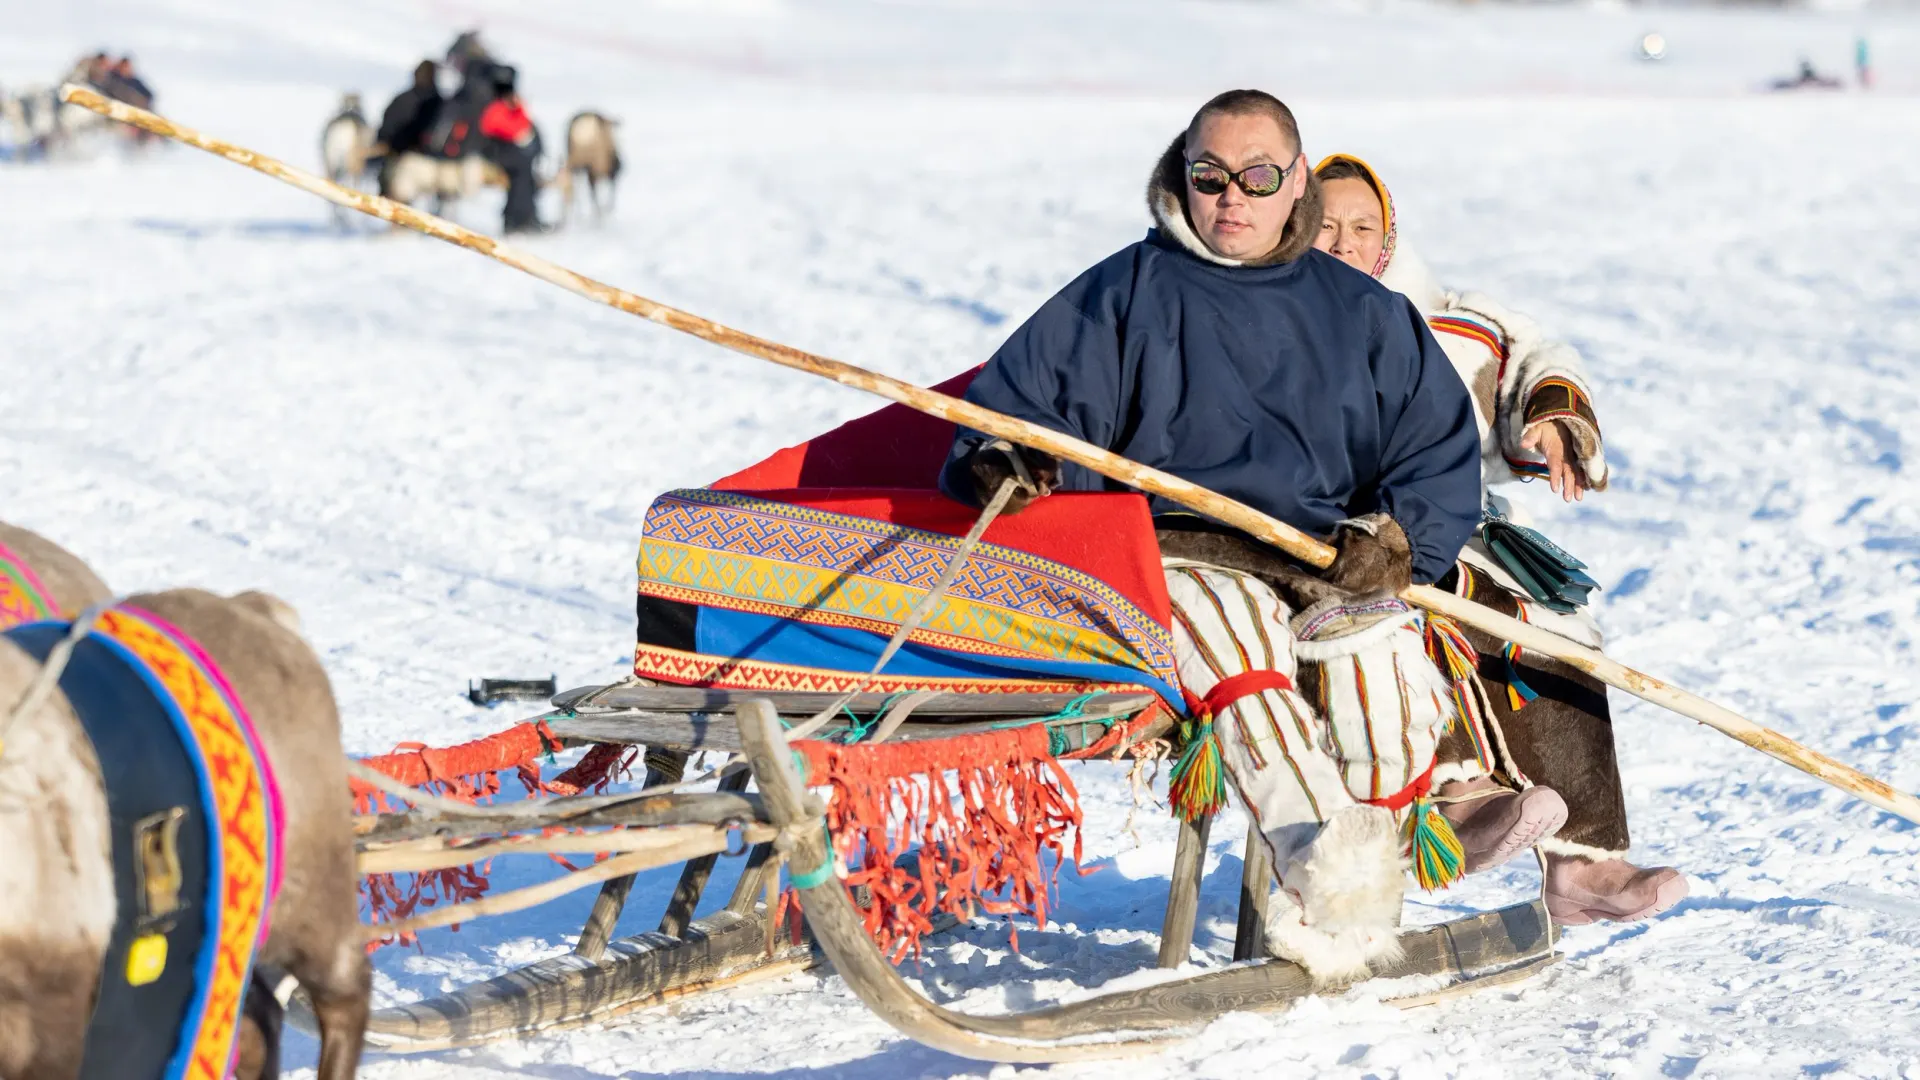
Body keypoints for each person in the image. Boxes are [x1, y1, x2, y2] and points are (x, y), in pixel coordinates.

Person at [941, 90, 1496, 980]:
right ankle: (1324, 864)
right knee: (1250, 677)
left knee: (1383, 681)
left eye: (1255, 176)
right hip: (1184, 552)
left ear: (1295, 182)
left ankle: (1349, 908)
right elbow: (1019, 404)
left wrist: (1393, 540)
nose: (1230, 197)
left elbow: (1436, 446)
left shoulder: (1364, 312)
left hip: (1329, 563)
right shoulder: (1124, 291)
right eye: (1208, 176)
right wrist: (1004, 458)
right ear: (1181, 175)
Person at [1312, 153, 1686, 925]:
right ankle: (1453, 798)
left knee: (1553, 625)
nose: (1344, 243)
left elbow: (1532, 359)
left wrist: (1551, 416)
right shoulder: (1283, 320)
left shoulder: (1452, 320)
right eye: (1323, 227)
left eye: (1361, 228)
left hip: (1459, 525)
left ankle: (1585, 863)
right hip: (1343, 537)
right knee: (1423, 609)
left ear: (1388, 237)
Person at [476, 65, 545, 234]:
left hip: (508, 152)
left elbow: (524, 126)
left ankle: (526, 217)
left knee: (526, 172)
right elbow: (512, 129)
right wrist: (518, 108)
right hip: (495, 153)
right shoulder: (493, 106)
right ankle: (518, 220)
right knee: (521, 172)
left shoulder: (505, 105)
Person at [375, 60, 444, 197]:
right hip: (426, 159)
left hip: (409, 156)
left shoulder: (403, 99)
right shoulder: (441, 102)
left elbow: (386, 127)